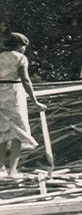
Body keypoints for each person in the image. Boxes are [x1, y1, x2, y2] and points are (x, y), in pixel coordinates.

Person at [0, 33, 45, 178]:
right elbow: (25, 80)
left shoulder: (0, 57)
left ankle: (0, 168)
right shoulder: (20, 58)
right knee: (18, 132)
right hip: (14, 95)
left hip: (0, 93)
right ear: (19, 46)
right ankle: (12, 170)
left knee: (2, 132)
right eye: (24, 46)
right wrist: (35, 101)